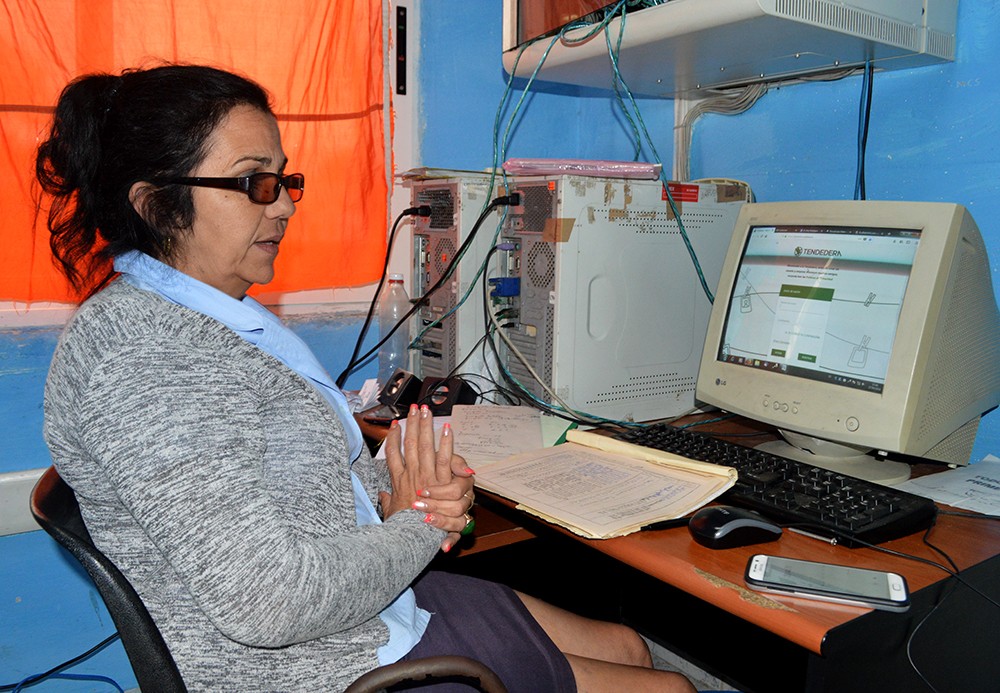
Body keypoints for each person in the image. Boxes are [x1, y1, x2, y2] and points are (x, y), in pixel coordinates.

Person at [37, 63, 696, 692]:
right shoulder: (142, 354)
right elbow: (267, 600)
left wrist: (397, 484)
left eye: (284, 179)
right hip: (318, 666)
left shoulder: (204, 317)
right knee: (668, 683)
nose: (284, 206)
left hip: (360, 609)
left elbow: (296, 488)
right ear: (156, 205)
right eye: (253, 184)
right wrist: (416, 521)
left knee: (630, 648)